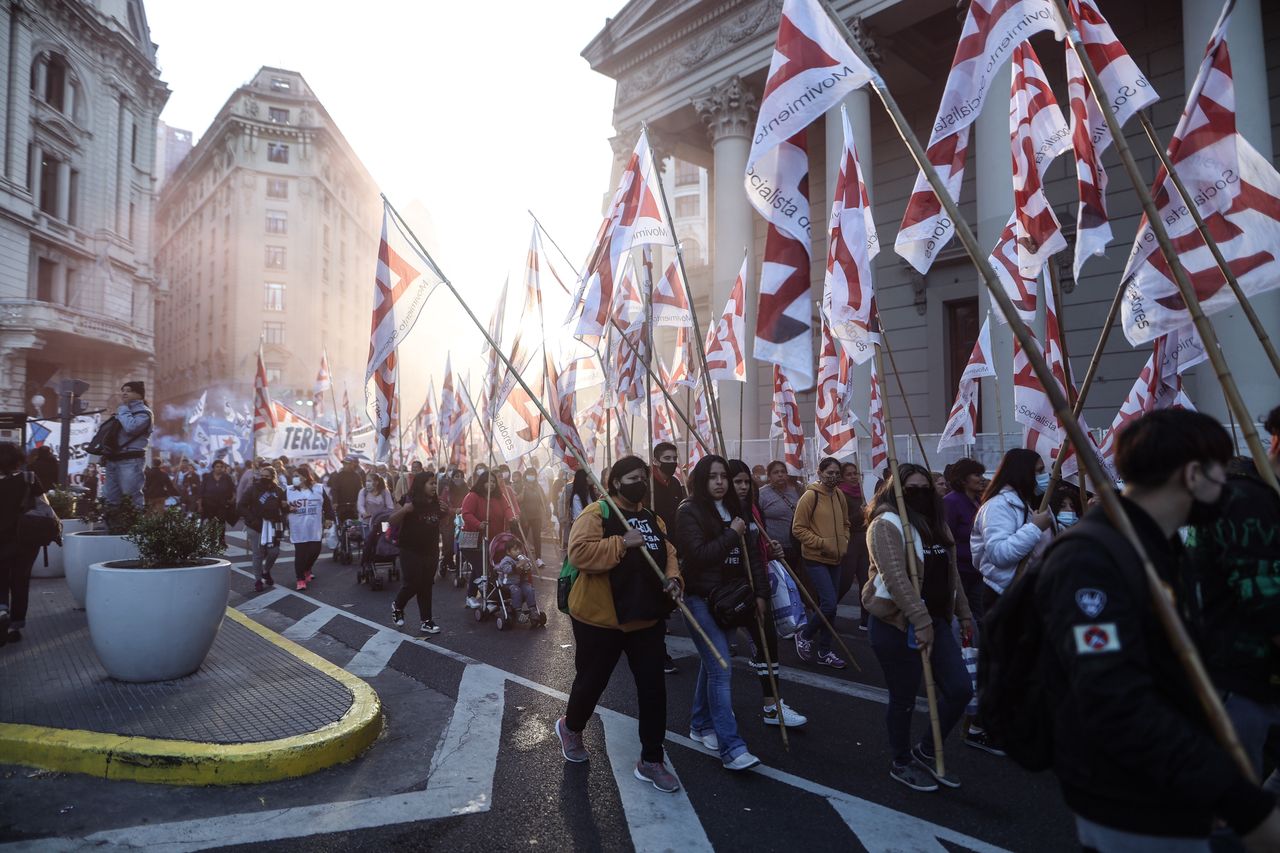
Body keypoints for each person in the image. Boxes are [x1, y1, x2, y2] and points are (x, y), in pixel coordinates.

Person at [1033, 409, 1280, 851]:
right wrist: (1244, 804)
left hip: (1178, 791)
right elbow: (1115, 702)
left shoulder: (1159, 546)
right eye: (1222, 474)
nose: (1228, 489)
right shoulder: (1091, 559)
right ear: (1192, 474)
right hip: (1132, 806)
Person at [557, 454, 683, 793]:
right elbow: (579, 553)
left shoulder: (652, 518)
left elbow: (667, 552)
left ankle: (652, 760)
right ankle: (571, 726)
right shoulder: (598, 512)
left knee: (653, 690)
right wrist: (620, 543)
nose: (640, 481)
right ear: (615, 482)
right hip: (602, 619)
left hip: (646, 617)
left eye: (643, 475)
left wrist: (674, 579)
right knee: (591, 682)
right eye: (633, 476)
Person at [1183, 404, 1280, 793]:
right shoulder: (1245, 499)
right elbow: (1266, 601)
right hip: (1239, 678)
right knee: (1229, 806)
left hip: (1260, 681)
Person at [863, 462, 974, 792]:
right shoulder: (885, 524)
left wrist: (964, 614)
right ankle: (901, 760)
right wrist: (921, 620)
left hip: (937, 622)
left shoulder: (936, 524)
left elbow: (951, 574)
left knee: (959, 689)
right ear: (895, 490)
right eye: (911, 488)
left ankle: (927, 749)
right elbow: (895, 578)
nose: (920, 494)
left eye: (926, 488)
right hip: (897, 625)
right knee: (904, 698)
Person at [673, 454, 768, 770]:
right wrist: (732, 534)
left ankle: (700, 724)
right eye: (713, 476)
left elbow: (752, 556)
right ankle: (732, 748)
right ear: (701, 480)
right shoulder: (689, 511)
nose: (719, 482)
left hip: (732, 600)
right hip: (700, 597)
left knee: (714, 661)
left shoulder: (738, 510)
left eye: (723, 477)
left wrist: (760, 594)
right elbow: (697, 556)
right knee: (721, 666)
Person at [728, 459, 808, 729]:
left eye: (745, 481)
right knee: (715, 662)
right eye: (735, 481)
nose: (741, 486)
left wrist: (770, 550)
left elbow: (757, 547)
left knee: (767, 643)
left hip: (756, 586)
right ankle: (708, 714)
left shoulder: (751, 507)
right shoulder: (716, 512)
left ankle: (772, 706)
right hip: (726, 593)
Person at [970, 448, 1054, 616]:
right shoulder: (998, 506)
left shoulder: (1032, 503)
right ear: (1023, 472)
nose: (1045, 476)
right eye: (1039, 471)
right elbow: (999, 554)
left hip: (1032, 592)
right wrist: (1035, 528)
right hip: (1006, 595)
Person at [791, 456, 851, 669]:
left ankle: (825, 651)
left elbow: (845, 523)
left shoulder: (839, 495)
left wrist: (843, 541)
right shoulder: (809, 496)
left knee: (831, 608)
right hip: (815, 558)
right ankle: (805, 635)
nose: (833, 477)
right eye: (829, 473)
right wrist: (822, 543)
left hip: (836, 558)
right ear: (820, 473)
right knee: (828, 603)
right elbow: (798, 529)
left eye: (836, 473)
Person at [0, 442, 51, 644]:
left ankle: (1, 610)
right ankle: (15, 626)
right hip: (26, 539)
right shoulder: (29, 478)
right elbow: (45, 508)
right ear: (18, 460)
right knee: (20, 580)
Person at [389, 471, 443, 635]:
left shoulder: (436, 502)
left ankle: (426, 621)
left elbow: (441, 519)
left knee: (426, 584)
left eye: (435, 483)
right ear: (421, 485)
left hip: (431, 549)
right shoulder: (408, 500)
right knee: (413, 583)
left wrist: (448, 511)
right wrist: (404, 510)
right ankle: (398, 605)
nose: (434, 486)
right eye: (431, 483)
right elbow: (392, 521)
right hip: (410, 548)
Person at [649, 441, 686, 675]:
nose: (671, 462)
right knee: (655, 596)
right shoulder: (647, 485)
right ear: (656, 460)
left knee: (667, 595)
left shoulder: (676, 484)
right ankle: (658, 653)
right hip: (651, 545)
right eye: (667, 458)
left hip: (672, 545)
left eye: (674, 458)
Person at [942, 458, 987, 621]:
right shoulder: (950, 502)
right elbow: (945, 538)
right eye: (976, 474)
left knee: (981, 616)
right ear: (962, 480)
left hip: (979, 570)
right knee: (962, 617)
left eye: (981, 474)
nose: (982, 478)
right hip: (960, 572)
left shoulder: (980, 501)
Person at [461, 470, 514, 608]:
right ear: (482, 482)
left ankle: (472, 596)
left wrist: (512, 517)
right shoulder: (473, 496)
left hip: (493, 539)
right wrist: (479, 524)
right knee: (482, 569)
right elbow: (466, 514)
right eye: (488, 481)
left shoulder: (499, 496)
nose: (491, 484)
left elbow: (507, 508)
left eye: (493, 481)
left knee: (484, 568)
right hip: (473, 539)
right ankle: (487, 598)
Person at [100, 381, 153, 509]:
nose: (124, 393)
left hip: (131, 460)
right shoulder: (122, 411)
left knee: (131, 500)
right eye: (123, 390)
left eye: (128, 390)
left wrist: (122, 409)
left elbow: (131, 427)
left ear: (139, 394)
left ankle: (132, 528)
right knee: (110, 500)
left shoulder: (144, 413)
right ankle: (112, 529)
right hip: (113, 460)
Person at [239, 461, 287, 591]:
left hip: (273, 525)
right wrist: (251, 519)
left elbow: (284, 507)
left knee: (274, 552)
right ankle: (258, 580)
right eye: (263, 475)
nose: (264, 478)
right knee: (258, 554)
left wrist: (286, 511)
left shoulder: (279, 491)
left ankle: (266, 570)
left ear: (273, 477)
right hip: (256, 525)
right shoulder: (253, 488)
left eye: (267, 476)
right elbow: (242, 505)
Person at [286, 464, 331, 591]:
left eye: (296, 476)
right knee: (300, 553)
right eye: (293, 476)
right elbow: (280, 505)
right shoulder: (289, 490)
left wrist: (329, 518)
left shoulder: (318, 488)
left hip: (314, 527)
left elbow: (327, 505)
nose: (294, 478)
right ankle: (300, 579)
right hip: (298, 527)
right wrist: (286, 507)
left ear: (305, 477)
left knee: (315, 551)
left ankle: (307, 569)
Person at [837, 460, 869, 625]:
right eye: (848, 474)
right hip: (850, 542)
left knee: (866, 582)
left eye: (855, 473)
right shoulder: (840, 494)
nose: (853, 477)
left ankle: (866, 620)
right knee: (845, 582)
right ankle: (825, 611)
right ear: (842, 477)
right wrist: (860, 514)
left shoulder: (860, 492)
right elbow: (843, 521)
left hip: (863, 542)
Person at [759, 460, 802, 574]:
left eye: (783, 471)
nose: (780, 475)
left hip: (795, 545)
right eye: (776, 472)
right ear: (769, 476)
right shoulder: (761, 494)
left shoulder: (796, 491)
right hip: (775, 548)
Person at [492, 533, 543, 625]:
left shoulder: (522, 558)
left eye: (519, 549)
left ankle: (533, 609)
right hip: (508, 583)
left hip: (521, 582)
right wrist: (519, 564)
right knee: (516, 590)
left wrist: (527, 565)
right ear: (508, 552)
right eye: (515, 550)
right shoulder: (506, 560)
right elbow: (507, 569)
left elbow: (529, 568)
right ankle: (518, 611)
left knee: (529, 589)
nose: (518, 551)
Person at [198, 459, 236, 548]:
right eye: (217, 467)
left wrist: (233, 499)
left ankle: (221, 541)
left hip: (222, 504)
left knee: (221, 523)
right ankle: (211, 541)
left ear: (224, 468)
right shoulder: (207, 477)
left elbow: (233, 489)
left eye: (221, 467)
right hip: (209, 504)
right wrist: (199, 505)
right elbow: (201, 492)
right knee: (211, 523)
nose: (219, 468)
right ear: (213, 468)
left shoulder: (227, 477)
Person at [440, 468, 467, 574]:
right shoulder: (447, 490)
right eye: (456, 476)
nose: (459, 479)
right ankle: (445, 561)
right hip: (448, 521)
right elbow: (442, 505)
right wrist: (453, 510)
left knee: (462, 546)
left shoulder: (467, 490)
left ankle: (460, 566)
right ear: (452, 478)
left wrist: (463, 510)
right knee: (448, 545)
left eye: (461, 477)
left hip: (462, 520)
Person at [517, 467, 547, 560]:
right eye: (529, 474)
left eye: (533, 474)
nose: (531, 476)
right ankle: (522, 557)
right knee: (523, 538)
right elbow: (518, 500)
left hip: (537, 516)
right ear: (526, 475)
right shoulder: (522, 486)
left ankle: (538, 558)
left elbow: (544, 500)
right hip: (525, 516)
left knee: (537, 538)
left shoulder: (538, 486)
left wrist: (546, 513)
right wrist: (523, 490)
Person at [328, 457, 364, 529]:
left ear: (352, 465)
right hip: (341, 505)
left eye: (347, 464)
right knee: (341, 525)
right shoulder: (338, 476)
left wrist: (359, 502)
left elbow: (360, 490)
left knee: (355, 525)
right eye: (344, 464)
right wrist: (335, 502)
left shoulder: (356, 476)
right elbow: (334, 490)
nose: (346, 465)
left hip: (354, 505)